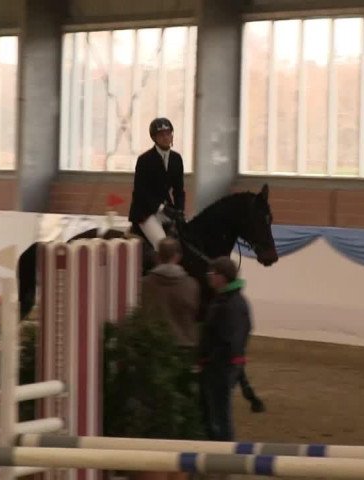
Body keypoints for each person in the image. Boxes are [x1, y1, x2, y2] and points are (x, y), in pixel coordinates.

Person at [198, 256, 252, 441]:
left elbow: (226, 337)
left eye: (212, 273)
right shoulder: (230, 300)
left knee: (220, 415)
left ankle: (224, 457)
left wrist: (208, 358)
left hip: (220, 366)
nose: (209, 277)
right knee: (218, 412)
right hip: (221, 365)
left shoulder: (228, 304)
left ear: (222, 277)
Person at [128, 117, 185, 251]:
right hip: (146, 212)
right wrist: (162, 208)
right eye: (161, 135)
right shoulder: (144, 160)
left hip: (166, 209)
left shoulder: (176, 159)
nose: (166, 137)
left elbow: (179, 190)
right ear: (154, 138)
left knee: (186, 236)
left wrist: (180, 211)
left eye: (168, 133)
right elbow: (141, 192)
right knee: (162, 245)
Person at [141, 237, 200, 349]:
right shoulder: (191, 284)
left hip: (155, 345)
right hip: (185, 344)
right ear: (178, 257)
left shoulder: (144, 284)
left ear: (157, 257)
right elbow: (194, 312)